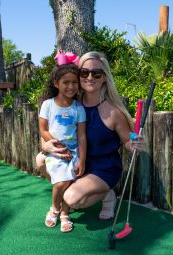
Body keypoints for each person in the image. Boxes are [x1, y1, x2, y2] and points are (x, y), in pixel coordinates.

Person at [39, 51, 142, 221]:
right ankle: (74, 192)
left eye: (97, 73)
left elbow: (127, 140)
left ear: (104, 78)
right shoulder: (72, 105)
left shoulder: (113, 112)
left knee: (72, 199)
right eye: (84, 72)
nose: (90, 77)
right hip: (78, 161)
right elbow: (51, 132)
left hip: (103, 167)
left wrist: (134, 142)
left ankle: (107, 194)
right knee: (40, 161)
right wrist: (46, 144)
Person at [39, 53, 86, 232]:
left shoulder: (78, 108)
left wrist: (82, 159)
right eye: (65, 82)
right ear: (56, 84)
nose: (71, 86)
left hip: (74, 152)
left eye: (74, 82)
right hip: (55, 151)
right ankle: (55, 208)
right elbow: (43, 130)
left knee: (71, 181)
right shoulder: (48, 105)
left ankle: (65, 213)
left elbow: (81, 135)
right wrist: (58, 146)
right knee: (61, 182)